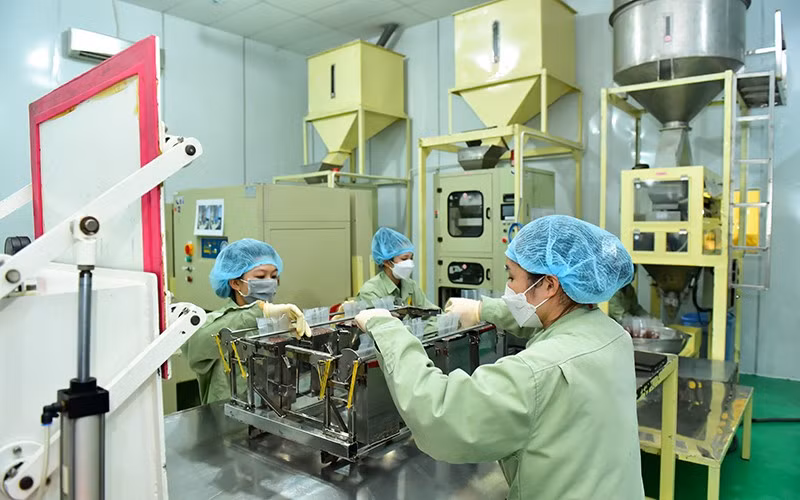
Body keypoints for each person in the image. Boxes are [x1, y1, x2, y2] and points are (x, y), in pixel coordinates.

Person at [354, 215, 644, 499]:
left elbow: (441, 415)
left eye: (511, 276)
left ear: (549, 285)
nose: (509, 290)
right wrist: (482, 310)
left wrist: (387, 329)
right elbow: (543, 319)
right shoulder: (614, 336)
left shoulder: (536, 372)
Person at [184, 238, 311, 404]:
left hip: (271, 412)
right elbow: (195, 346)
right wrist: (260, 312)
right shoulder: (215, 322)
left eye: (274, 276)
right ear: (235, 282)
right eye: (260, 276)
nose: (270, 283)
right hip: (226, 419)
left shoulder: (279, 317)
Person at [356, 227, 437, 309]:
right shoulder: (370, 291)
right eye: (404, 259)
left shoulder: (410, 285)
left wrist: (447, 315)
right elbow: (381, 321)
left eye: (411, 258)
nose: (409, 263)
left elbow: (430, 311)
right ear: (387, 262)